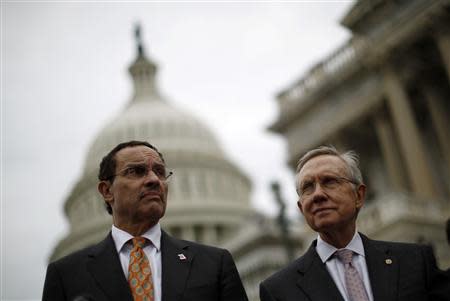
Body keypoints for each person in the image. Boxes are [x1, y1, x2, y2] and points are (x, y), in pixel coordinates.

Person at [43, 140, 248, 301]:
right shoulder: (67, 275)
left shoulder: (214, 265)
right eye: (136, 171)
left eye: (160, 172)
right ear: (106, 191)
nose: (153, 180)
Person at [260, 146, 449, 301]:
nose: (318, 194)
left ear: (358, 196)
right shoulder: (278, 291)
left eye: (329, 181)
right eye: (307, 188)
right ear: (302, 208)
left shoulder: (414, 261)